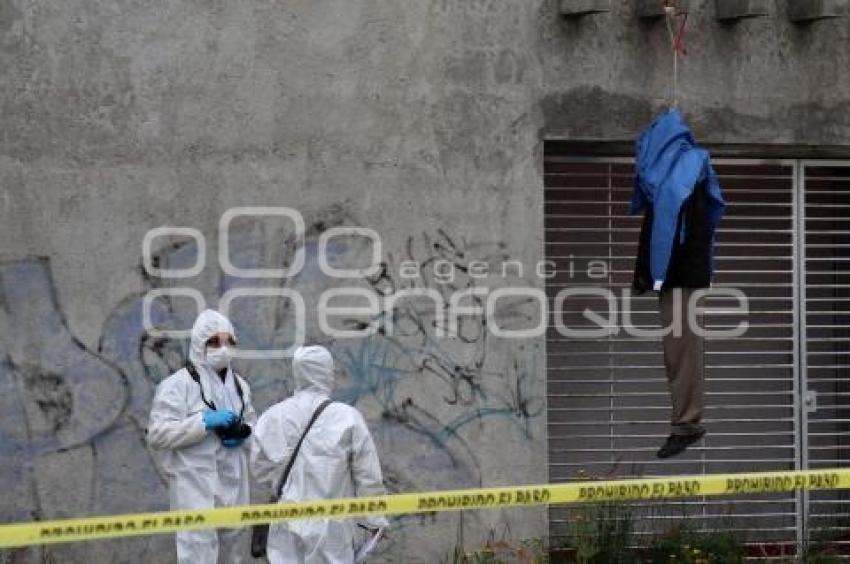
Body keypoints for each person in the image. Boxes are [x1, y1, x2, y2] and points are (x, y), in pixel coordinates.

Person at [251, 345, 388, 563]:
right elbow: (368, 476)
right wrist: (375, 520)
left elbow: (259, 470)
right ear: (327, 373)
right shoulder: (348, 418)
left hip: (284, 520)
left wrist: (288, 486)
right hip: (331, 528)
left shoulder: (272, 417)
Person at [147, 309, 257, 563]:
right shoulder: (177, 386)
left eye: (229, 341)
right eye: (214, 342)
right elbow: (158, 434)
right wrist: (203, 423)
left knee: (235, 553)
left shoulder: (240, 386)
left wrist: (245, 432)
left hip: (234, 483)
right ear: (199, 344)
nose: (224, 348)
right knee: (197, 554)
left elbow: (252, 423)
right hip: (194, 486)